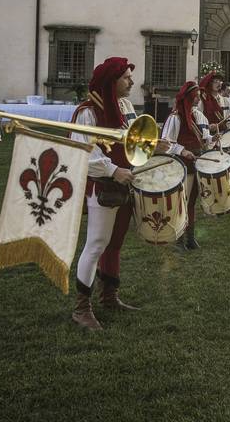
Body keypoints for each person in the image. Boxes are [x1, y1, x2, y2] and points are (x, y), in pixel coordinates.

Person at [70, 57, 163, 330]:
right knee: (96, 243)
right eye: (126, 77)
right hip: (103, 187)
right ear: (112, 81)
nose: (131, 81)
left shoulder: (122, 107)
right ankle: (81, 308)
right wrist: (113, 171)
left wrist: (156, 146)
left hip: (124, 183)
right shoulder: (87, 112)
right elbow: (83, 153)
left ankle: (109, 296)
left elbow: (131, 142)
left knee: (115, 243)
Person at [161, 81, 213, 251]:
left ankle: (190, 238)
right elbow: (166, 143)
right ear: (189, 97)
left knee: (191, 202)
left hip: (195, 164)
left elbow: (204, 137)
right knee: (182, 201)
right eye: (196, 96)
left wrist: (210, 140)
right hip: (182, 165)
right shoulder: (175, 117)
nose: (199, 99)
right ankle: (180, 240)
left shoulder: (197, 116)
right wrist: (183, 151)